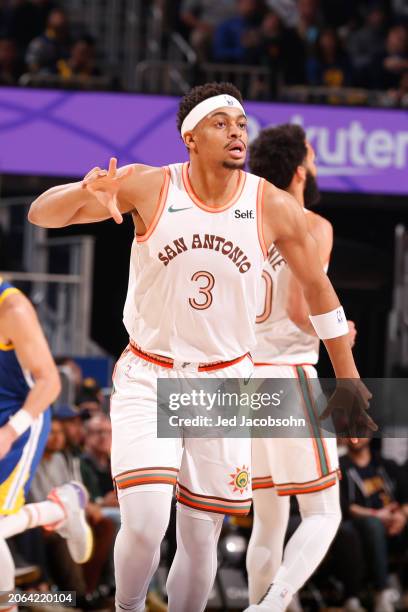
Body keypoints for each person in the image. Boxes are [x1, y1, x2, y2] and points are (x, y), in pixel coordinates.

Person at [29, 81, 373, 612]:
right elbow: (41, 214)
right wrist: (83, 190)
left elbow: (320, 294)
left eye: (241, 124)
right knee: (144, 522)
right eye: (221, 124)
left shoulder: (272, 205)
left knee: (200, 533)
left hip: (227, 380)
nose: (236, 133)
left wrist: (347, 377)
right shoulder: (149, 186)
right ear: (190, 137)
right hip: (151, 374)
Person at [246, 124, 356, 611]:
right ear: (298, 171)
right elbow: (297, 309)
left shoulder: (240, 222)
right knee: (323, 515)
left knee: (268, 520)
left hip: (241, 379)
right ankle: (268, 606)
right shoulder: (312, 225)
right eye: (311, 159)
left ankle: (262, 604)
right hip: (286, 375)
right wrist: (340, 334)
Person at [0, 277, 92, 609]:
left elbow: (51, 382)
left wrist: (10, 433)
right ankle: (61, 506)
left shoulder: (13, 309)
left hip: (19, 421)